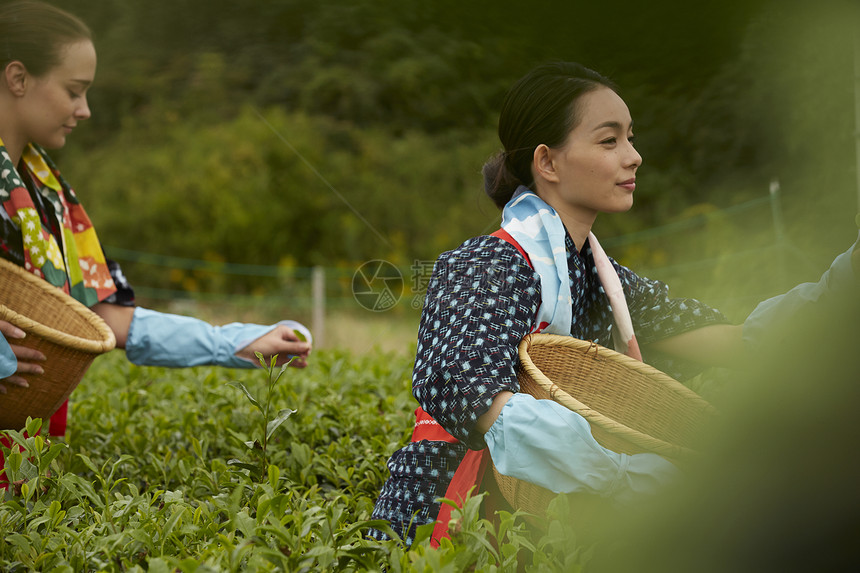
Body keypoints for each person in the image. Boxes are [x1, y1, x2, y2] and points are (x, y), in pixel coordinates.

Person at [368, 61, 859, 547]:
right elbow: (476, 397)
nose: (634, 156)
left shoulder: (607, 282)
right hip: (445, 525)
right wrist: (626, 478)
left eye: (630, 137)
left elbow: (745, 344)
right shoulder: (482, 265)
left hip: (544, 527)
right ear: (548, 162)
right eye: (609, 140)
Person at [0, 0, 311, 484]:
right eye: (74, 91)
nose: (84, 110)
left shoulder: (47, 198)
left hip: (23, 450)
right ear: (18, 78)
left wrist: (238, 342)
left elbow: (102, 315)